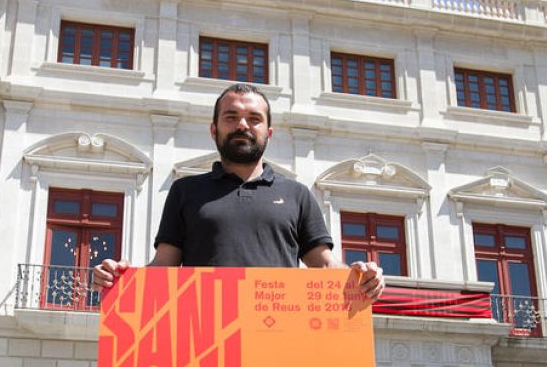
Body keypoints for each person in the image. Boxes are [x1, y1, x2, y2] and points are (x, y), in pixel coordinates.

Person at [92, 83, 384, 299]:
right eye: (231, 117)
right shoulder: (185, 191)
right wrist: (119, 278)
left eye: (254, 119)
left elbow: (324, 265)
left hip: (279, 336)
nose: (242, 125)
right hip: (204, 338)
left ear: (268, 133)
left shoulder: (298, 195)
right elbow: (164, 265)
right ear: (214, 130)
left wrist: (363, 278)